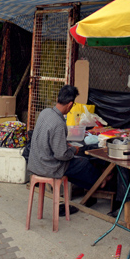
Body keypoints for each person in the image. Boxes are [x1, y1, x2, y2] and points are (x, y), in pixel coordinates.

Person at [27, 85, 102, 213]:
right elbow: (61, 155)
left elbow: (49, 141)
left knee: (75, 165)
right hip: (48, 166)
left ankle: (95, 185)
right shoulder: (59, 123)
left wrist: (66, 146)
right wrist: (73, 150)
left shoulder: (45, 113)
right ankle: (101, 183)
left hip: (34, 163)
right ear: (70, 104)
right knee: (82, 163)